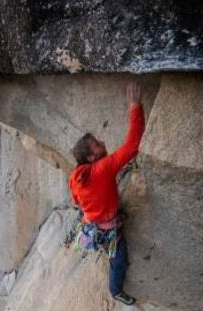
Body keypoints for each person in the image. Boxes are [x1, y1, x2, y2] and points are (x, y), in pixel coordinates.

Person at [68, 82, 145, 305]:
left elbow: (76, 199)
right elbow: (132, 146)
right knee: (119, 258)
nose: (102, 142)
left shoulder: (76, 174)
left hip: (88, 218)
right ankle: (115, 291)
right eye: (97, 145)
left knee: (91, 211)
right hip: (104, 225)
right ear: (92, 157)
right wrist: (135, 107)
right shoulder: (104, 168)